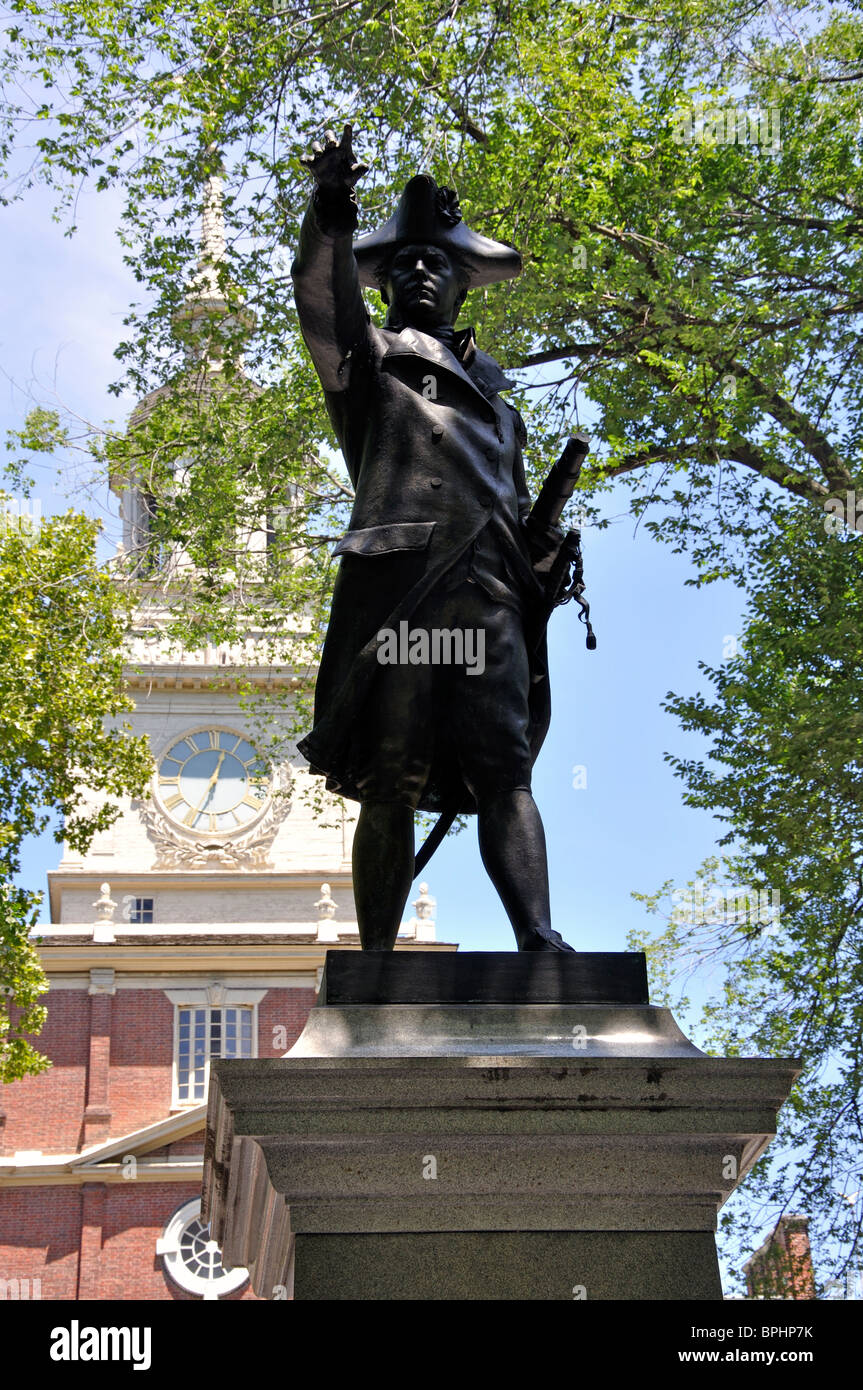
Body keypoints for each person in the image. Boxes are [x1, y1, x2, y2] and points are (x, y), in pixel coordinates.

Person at [292, 125, 573, 953]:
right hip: (405, 595)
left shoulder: (502, 403)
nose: (418, 271)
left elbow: (514, 515)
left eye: (436, 263)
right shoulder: (366, 360)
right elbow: (318, 296)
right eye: (403, 262)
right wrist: (330, 215)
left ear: (461, 286)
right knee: (393, 773)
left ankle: (539, 939)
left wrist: (542, 554)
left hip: (489, 596)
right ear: (381, 286)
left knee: (505, 771)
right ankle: (375, 958)